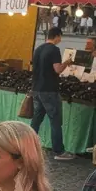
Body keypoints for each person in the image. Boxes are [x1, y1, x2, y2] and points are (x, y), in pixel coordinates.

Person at [30, 29, 74, 161]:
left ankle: (28, 145)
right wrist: (67, 62)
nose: (60, 39)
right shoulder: (54, 50)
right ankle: (59, 151)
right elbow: (58, 69)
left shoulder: (38, 49)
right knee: (55, 121)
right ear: (57, 36)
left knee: (36, 119)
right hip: (49, 90)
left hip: (36, 89)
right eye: (60, 37)